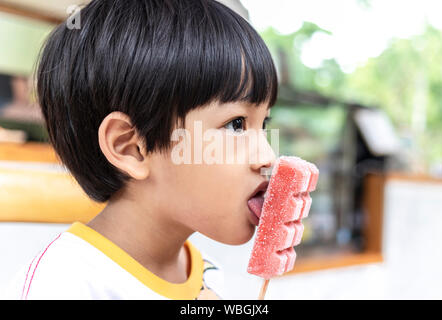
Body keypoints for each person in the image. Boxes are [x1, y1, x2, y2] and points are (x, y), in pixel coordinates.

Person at [3, 0, 277, 300]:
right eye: (236, 124)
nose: (268, 156)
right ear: (131, 147)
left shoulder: (205, 273)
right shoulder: (65, 284)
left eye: (263, 124)